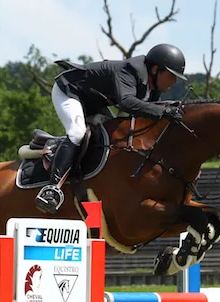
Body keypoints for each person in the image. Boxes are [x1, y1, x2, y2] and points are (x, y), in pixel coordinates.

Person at [35, 43, 189, 214]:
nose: (174, 82)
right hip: (70, 91)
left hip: (94, 102)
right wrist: (164, 111)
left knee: (110, 136)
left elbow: (147, 113)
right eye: (171, 76)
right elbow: (127, 102)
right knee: (77, 132)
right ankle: (51, 189)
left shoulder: (152, 88)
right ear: (155, 69)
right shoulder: (130, 71)